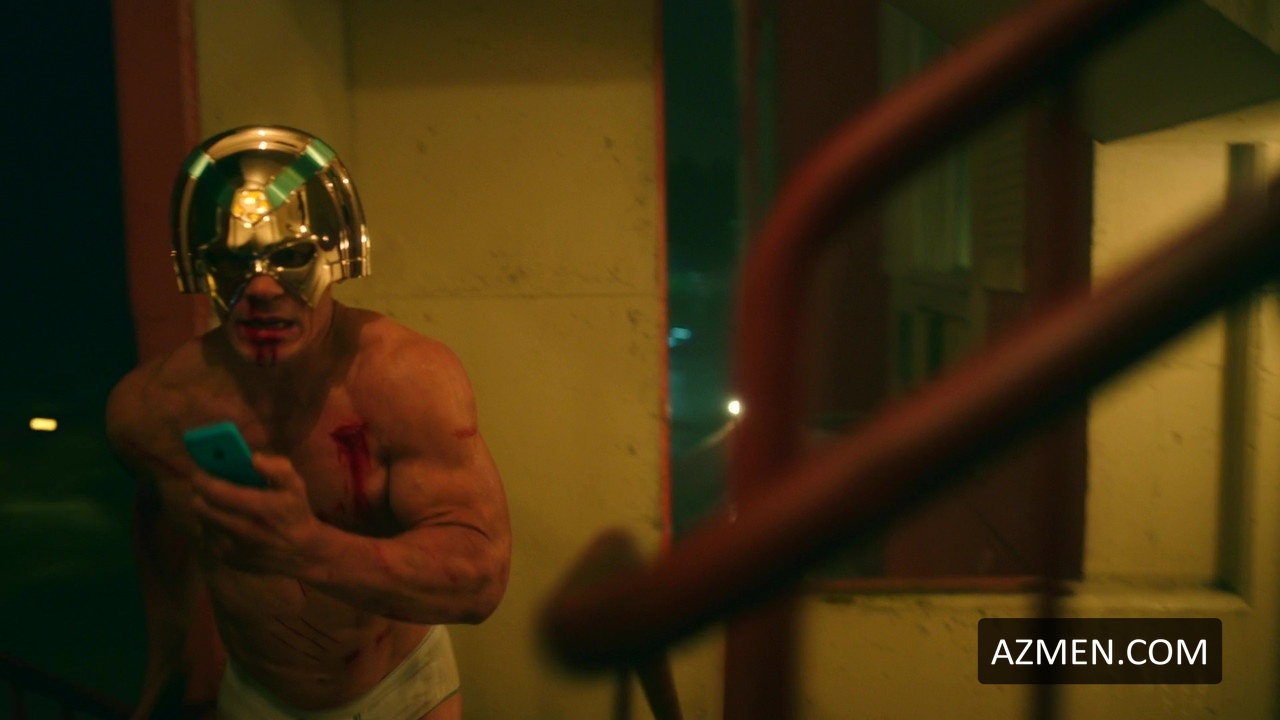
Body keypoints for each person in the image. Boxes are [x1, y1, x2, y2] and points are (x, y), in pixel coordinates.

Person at [106, 125, 511, 720]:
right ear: (200, 265)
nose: (261, 288)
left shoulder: (406, 380)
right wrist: (167, 668)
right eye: (233, 262)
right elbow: (164, 534)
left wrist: (306, 546)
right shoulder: (154, 407)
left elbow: (479, 581)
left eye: (290, 257)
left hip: (398, 686)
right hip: (256, 693)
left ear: (335, 257)